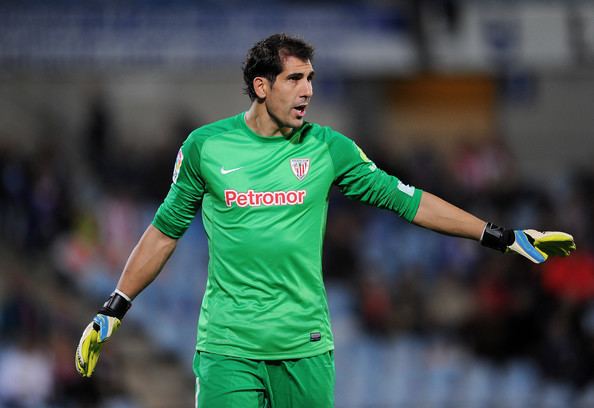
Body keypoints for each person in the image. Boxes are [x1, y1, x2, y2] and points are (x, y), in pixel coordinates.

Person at [75, 33, 575, 407]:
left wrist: (499, 236)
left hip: (305, 346)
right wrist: (113, 309)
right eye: (295, 78)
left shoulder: (328, 148)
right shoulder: (206, 147)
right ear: (260, 85)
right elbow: (164, 232)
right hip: (229, 346)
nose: (307, 90)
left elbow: (411, 201)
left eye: (311, 78)